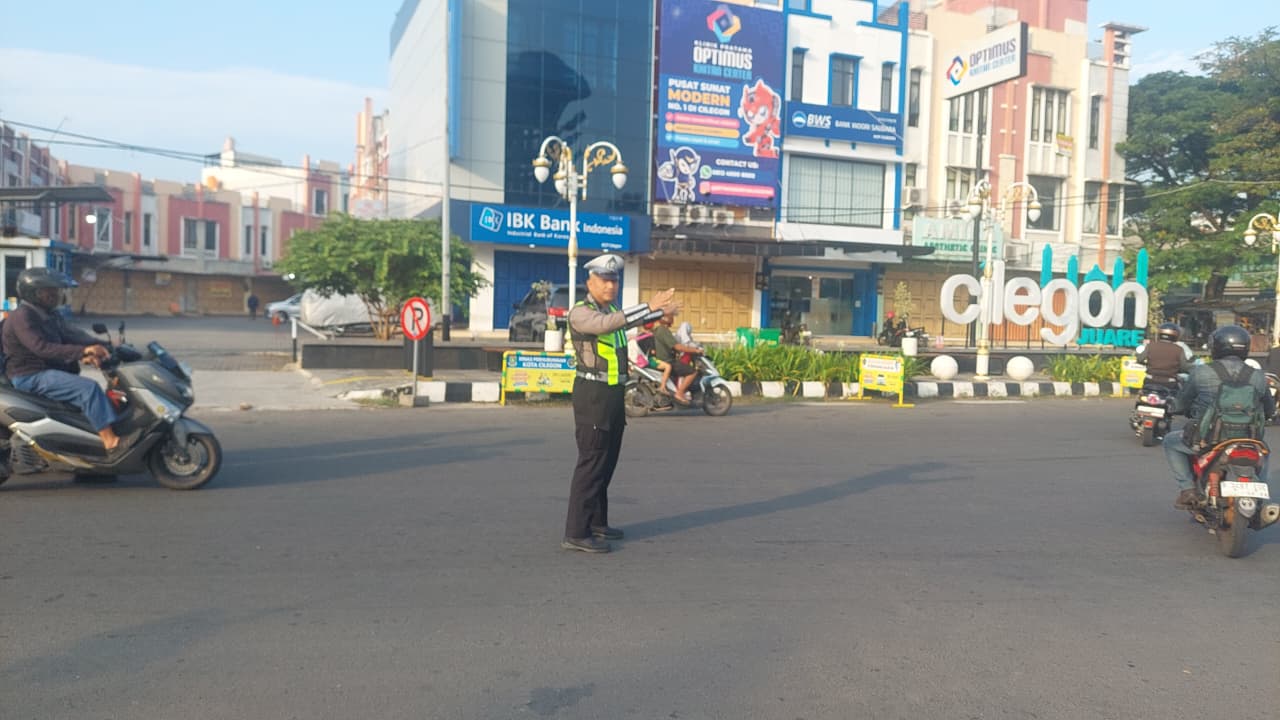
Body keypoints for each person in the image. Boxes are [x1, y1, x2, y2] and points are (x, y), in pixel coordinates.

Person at [562, 254, 677, 553]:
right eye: (604, 280)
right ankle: (576, 532)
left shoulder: (612, 310)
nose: (610, 285)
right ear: (590, 282)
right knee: (592, 461)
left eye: (614, 280)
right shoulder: (581, 313)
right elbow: (606, 325)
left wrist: (659, 312)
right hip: (593, 394)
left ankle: (597, 522)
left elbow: (626, 322)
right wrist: (648, 306)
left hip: (613, 394)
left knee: (607, 460)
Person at [1, 268, 119, 450]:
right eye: (50, 290)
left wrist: (106, 346)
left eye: (57, 290)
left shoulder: (50, 315)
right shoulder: (22, 316)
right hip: (29, 375)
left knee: (95, 393)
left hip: (46, 370)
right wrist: (83, 351)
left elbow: (73, 335)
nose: (56, 295)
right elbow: (41, 347)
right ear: (34, 293)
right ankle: (110, 441)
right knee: (88, 389)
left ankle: (89, 441)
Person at [1164, 325, 1274, 509]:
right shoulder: (1257, 375)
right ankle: (1259, 499)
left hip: (1207, 438)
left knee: (1170, 441)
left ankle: (1188, 490)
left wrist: (1175, 408)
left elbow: (1182, 403)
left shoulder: (1201, 372)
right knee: (1264, 452)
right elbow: (1269, 410)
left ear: (1216, 347)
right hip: (1248, 438)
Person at [651, 310, 702, 404]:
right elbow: (677, 346)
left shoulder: (660, 330)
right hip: (668, 361)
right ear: (666, 319)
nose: (673, 318)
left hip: (665, 359)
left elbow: (673, 346)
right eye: (671, 316)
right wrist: (695, 350)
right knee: (692, 372)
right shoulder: (663, 330)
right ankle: (679, 393)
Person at [1136, 322, 1193, 387]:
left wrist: (1147, 364)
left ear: (1160, 333)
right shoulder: (1179, 349)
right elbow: (1184, 367)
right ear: (1176, 335)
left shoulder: (1150, 346)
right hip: (1169, 383)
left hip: (1150, 380)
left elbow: (1139, 359)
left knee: (1142, 392)